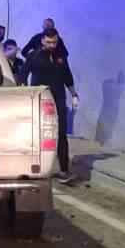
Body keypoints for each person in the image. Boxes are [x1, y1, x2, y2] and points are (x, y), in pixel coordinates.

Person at [26, 31, 78, 182]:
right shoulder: (34, 56)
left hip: (59, 100)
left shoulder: (60, 56)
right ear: (42, 41)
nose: (52, 45)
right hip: (41, 102)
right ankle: (34, 169)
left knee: (61, 134)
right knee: (38, 135)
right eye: (49, 42)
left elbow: (67, 76)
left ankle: (64, 170)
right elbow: (23, 75)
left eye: (54, 42)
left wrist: (74, 93)